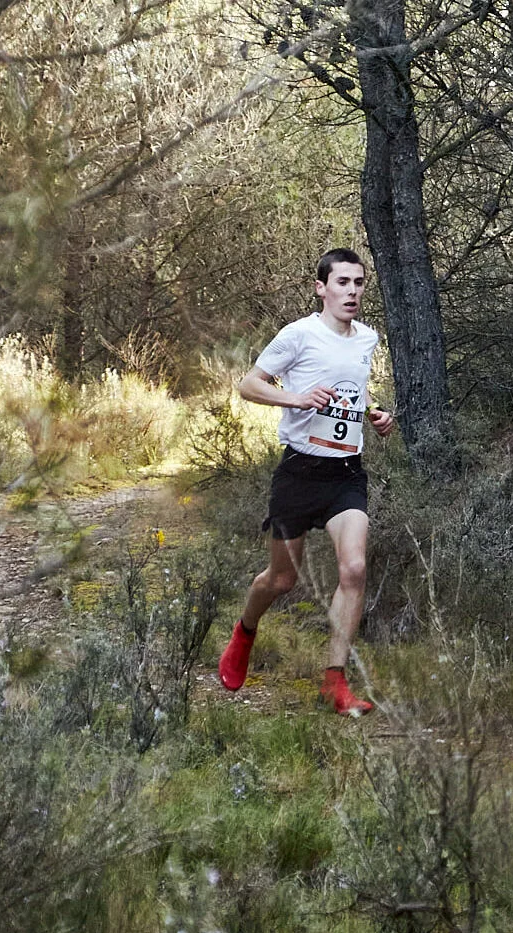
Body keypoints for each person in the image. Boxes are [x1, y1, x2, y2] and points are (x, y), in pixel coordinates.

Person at [217, 248, 394, 716]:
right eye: (342, 283)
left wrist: (373, 414)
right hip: (298, 472)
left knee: (353, 569)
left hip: (345, 474)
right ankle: (244, 634)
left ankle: (334, 683)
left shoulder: (367, 339)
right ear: (321, 288)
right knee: (281, 578)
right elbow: (249, 385)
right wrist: (295, 399)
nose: (352, 291)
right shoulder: (298, 334)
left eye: (358, 283)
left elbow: (352, 388)